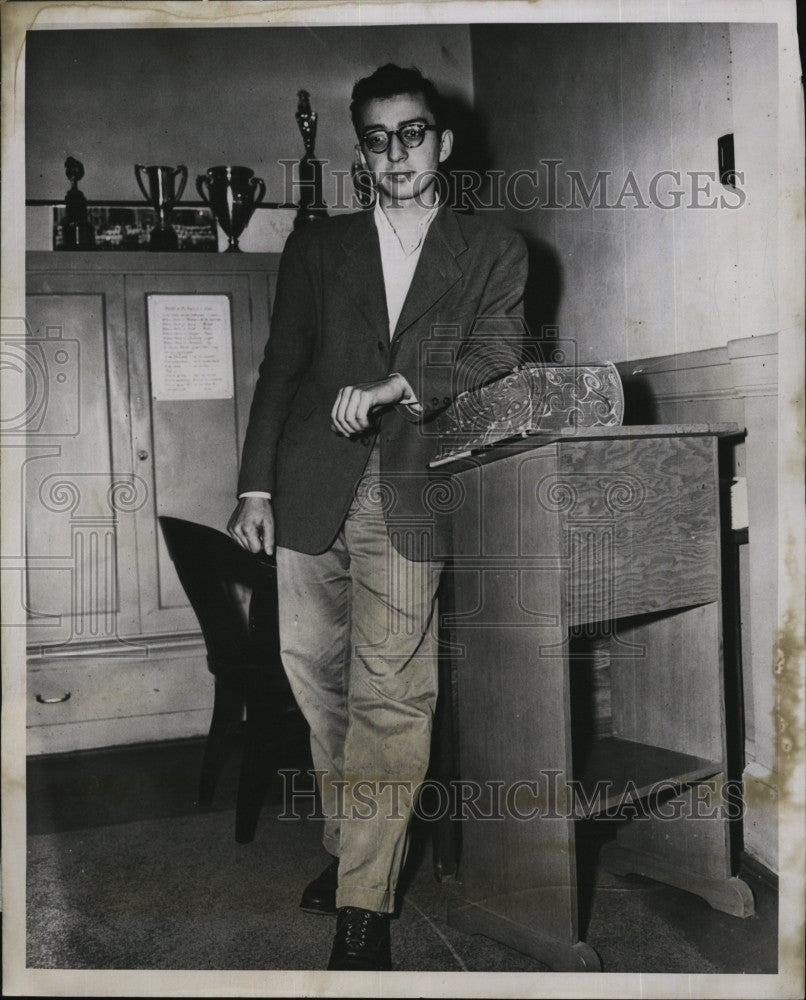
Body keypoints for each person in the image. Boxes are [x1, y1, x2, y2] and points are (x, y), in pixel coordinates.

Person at [228, 63, 528, 971]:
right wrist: (255, 489)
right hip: (309, 491)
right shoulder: (320, 247)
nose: (396, 153)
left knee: (394, 697)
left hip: (412, 487)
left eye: (412, 133)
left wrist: (407, 385)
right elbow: (281, 368)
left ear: (442, 143)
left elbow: (499, 350)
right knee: (316, 680)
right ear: (362, 152)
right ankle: (356, 847)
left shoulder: (494, 248)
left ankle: (364, 908)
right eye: (376, 138)